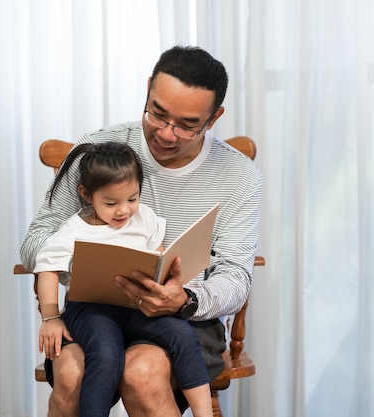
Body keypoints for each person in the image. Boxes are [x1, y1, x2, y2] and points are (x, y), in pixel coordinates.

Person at [20, 45, 263, 416]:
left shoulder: (239, 176)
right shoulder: (97, 149)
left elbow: (235, 276)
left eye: (187, 125)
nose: (166, 134)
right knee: (70, 372)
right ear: (148, 88)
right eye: (157, 113)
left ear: (214, 118)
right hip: (96, 312)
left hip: (184, 318)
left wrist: (185, 300)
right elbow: (37, 239)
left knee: (142, 372)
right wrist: (86, 258)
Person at [33, 141, 213, 417]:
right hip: (92, 310)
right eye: (111, 203)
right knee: (106, 356)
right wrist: (50, 317)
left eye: (132, 198)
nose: (123, 211)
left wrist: (164, 274)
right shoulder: (72, 231)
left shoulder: (144, 218)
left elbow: (159, 255)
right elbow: (46, 268)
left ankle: (204, 413)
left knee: (183, 335)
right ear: (86, 195)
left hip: (140, 306)